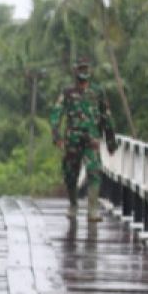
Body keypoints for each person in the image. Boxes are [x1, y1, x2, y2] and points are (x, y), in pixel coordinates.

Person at [50, 57, 116, 221]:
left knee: (94, 172)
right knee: (71, 174)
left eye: (86, 69)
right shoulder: (68, 93)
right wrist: (56, 134)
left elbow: (106, 116)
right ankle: (73, 204)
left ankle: (92, 209)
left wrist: (110, 140)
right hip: (73, 140)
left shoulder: (97, 92)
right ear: (75, 71)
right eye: (81, 69)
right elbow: (56, 113)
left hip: (92, 140)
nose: (83, 73)